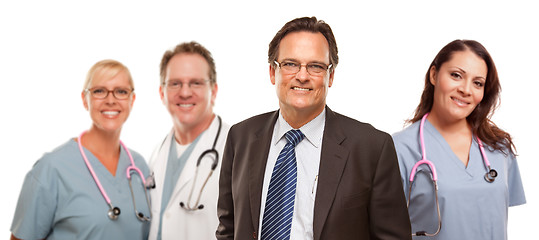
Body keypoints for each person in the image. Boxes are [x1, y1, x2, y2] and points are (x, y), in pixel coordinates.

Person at [216, 16, 411, 240]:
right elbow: (228, 228)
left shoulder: (372, 148)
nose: (302, 76)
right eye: (290, 64)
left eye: (316, 66)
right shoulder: (241, 137)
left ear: (331, 76)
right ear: (272, 72)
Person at [393, 40, 526, 239]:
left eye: (477, 83)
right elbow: (386, 226)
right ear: (434, 75)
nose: (466, 89)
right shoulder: (400, 148)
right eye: (456, 75)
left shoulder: (499, 147)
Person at [10, 60, 151, 239]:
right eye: (99, 91)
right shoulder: (52, 168)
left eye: (121, 92)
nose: (110, 100)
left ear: (132, 100)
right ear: (85, 100)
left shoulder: (139, 167)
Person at [148, 41, 230, 240]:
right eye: (175, 83)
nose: (185, 92)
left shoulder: (237, 149)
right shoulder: (157, 153)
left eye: (196, 83)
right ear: (162, 93)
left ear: (214, 91)